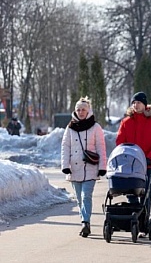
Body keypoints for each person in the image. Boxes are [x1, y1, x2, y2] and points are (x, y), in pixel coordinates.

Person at [116, 91, 151, 235]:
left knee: (146, 194)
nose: (135, 105)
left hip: (148, 164)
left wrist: (150, 157)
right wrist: (124, 155)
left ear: (145, 105)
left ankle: (144, 223)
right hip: (129, 164)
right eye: (134, 103)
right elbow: (120, 141)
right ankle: (135, 216)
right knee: (129, 191)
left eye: (138, 102)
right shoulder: (126, 122)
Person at [61, 97, 107, 237]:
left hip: (90, 167)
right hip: (74, 168)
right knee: (79, 198)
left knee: (86, 195)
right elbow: (65, 147)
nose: (81, 112)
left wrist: (102, 166)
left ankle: (85, 222)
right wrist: (65, 166)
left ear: (88, 111)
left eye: (83, 110)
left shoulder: (96, 127)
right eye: (78, 110)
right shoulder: (70, 127)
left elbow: (101, 147)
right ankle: (84, 220)